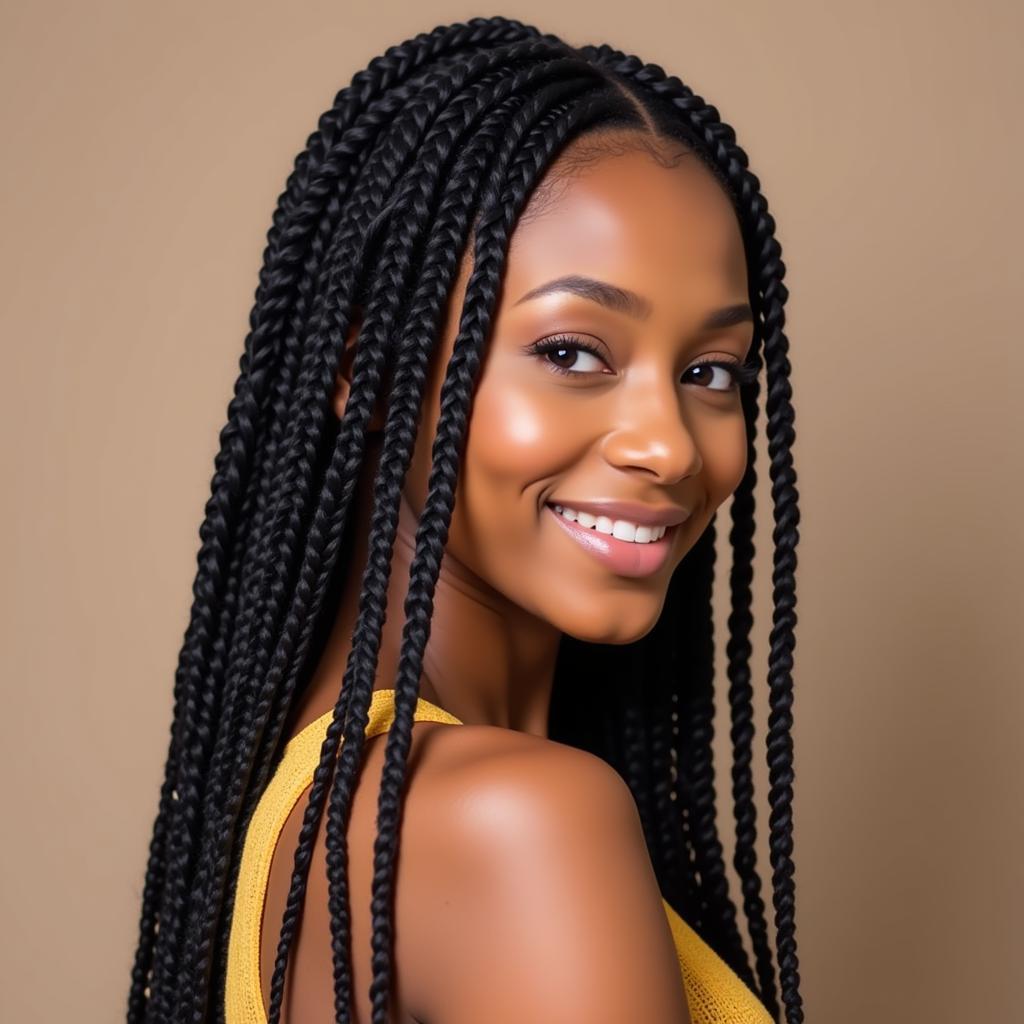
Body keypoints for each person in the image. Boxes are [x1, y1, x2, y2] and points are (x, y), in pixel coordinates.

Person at [126, 16, 803, 1024]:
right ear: (370, 367)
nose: (667, 445)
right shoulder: (518, 825)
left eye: (709, 372)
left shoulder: (323, 808)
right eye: (573, 351)